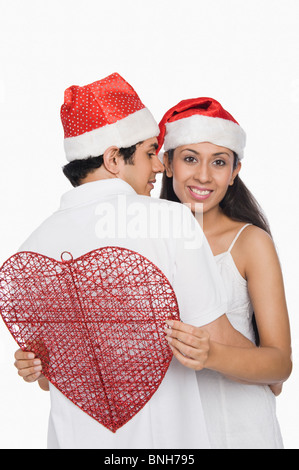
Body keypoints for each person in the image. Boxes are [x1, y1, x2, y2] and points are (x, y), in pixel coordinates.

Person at [10, 74, 256, 449]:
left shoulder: (32, 250)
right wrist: (272, 369)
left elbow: (52, 376)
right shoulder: (169, 221)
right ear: (113, 159)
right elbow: (218, 339)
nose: (158, 167)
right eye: (148, 152)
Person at [158, 97, 292, 448]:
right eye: (190, 159)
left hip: (241, 429)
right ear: (167, 164)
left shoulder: (250, 243)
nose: (203, 175)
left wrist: (212, 355)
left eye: (219, 162)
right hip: (172, 430)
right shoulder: (146, 242)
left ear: (234, 173)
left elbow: (279, 365)